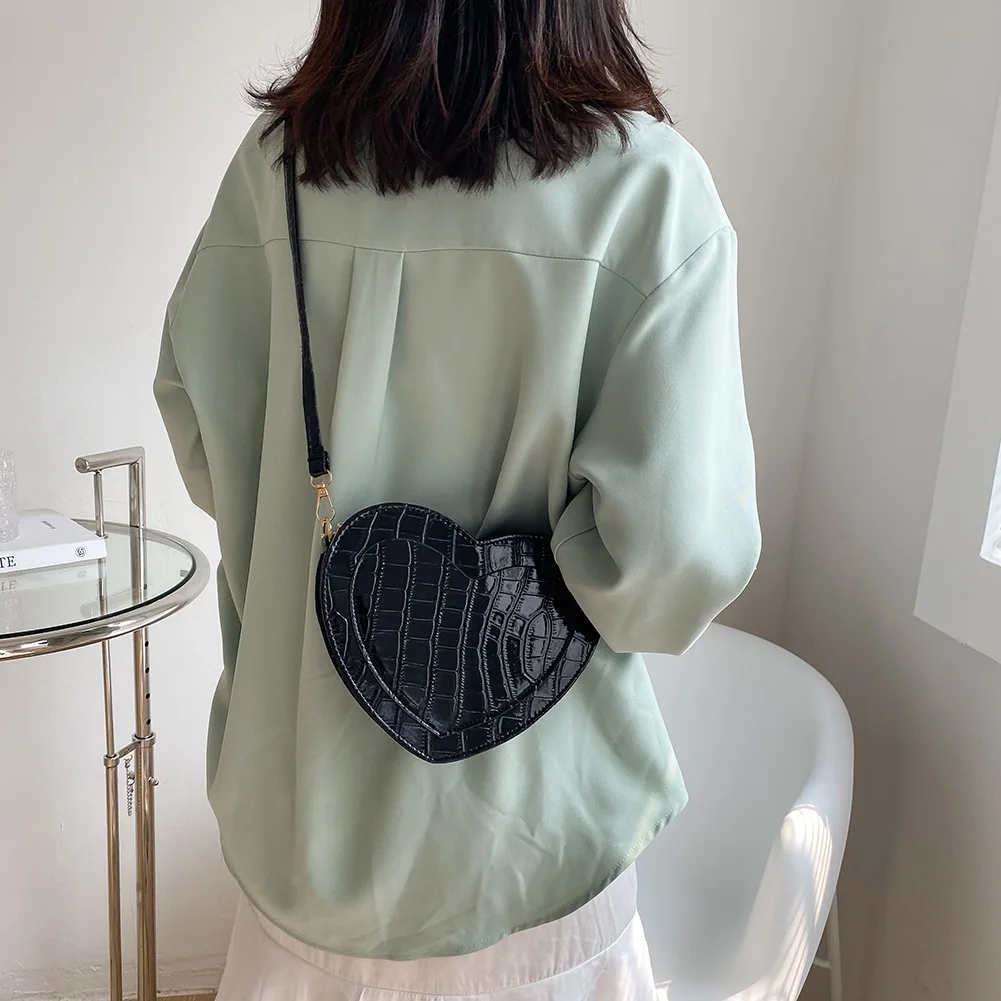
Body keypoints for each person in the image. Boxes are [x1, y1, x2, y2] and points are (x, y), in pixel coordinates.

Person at [154, 0, 761, 996]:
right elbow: (677, 556)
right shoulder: (646, 188)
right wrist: (536, 584)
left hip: (305, 842)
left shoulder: (276, 169)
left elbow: (203, 438)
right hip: (540, 860)